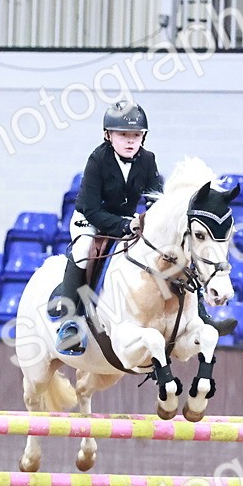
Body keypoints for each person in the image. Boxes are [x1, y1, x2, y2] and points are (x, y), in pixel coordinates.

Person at [50, 100, 163, 352]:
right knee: (81, 251)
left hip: (126, 221)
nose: (130, 140)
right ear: (108, 135)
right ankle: (69, 323)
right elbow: (91, 209)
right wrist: (125, 224)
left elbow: (156, 199)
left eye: (136, 135)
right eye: (123, 134)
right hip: (89, 220)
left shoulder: (148, 160)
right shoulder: (97, 160)